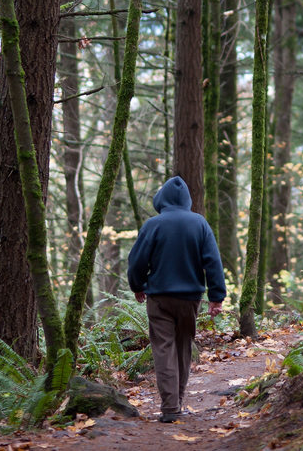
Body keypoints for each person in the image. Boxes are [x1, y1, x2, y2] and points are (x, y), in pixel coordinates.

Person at [127, 176, 226, 423]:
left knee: (163, 348)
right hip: (190, 299)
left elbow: (136, 260)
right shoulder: (199, 223)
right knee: (183, 347)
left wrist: (137, 285)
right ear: (187, 200)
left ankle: (170, 407)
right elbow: (212, 261)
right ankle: (178, 402)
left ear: (162, 198)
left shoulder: (153, 225)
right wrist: (216, 296)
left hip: (159, 297)